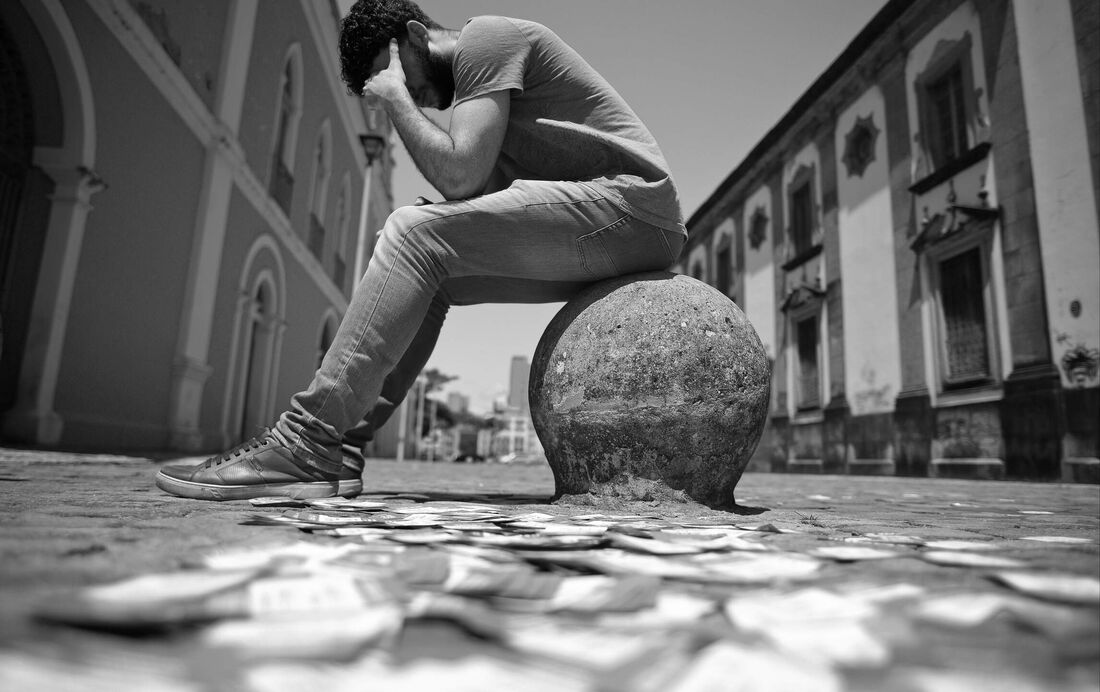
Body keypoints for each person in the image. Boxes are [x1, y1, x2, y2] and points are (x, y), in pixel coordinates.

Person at [155, 0, 685, 501]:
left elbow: (459, 174)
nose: (405, 90)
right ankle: (339, 447)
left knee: (412, 232)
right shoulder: (486, 103)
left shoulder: (488, 39)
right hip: (616, 226)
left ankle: (304, 438)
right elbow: (470, 192)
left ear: (413, 38)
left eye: (394, 71)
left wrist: (393, 98)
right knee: (428, 266)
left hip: (631, 208)